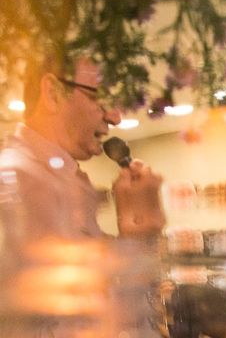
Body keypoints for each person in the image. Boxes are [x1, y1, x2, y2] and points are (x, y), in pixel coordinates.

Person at [0, 54, 165, 336]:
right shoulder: (16, 183)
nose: (115, 116)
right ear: (52, 93)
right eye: (102, 97)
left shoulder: (68, 181)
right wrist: (136, 244)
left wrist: (137, 235)